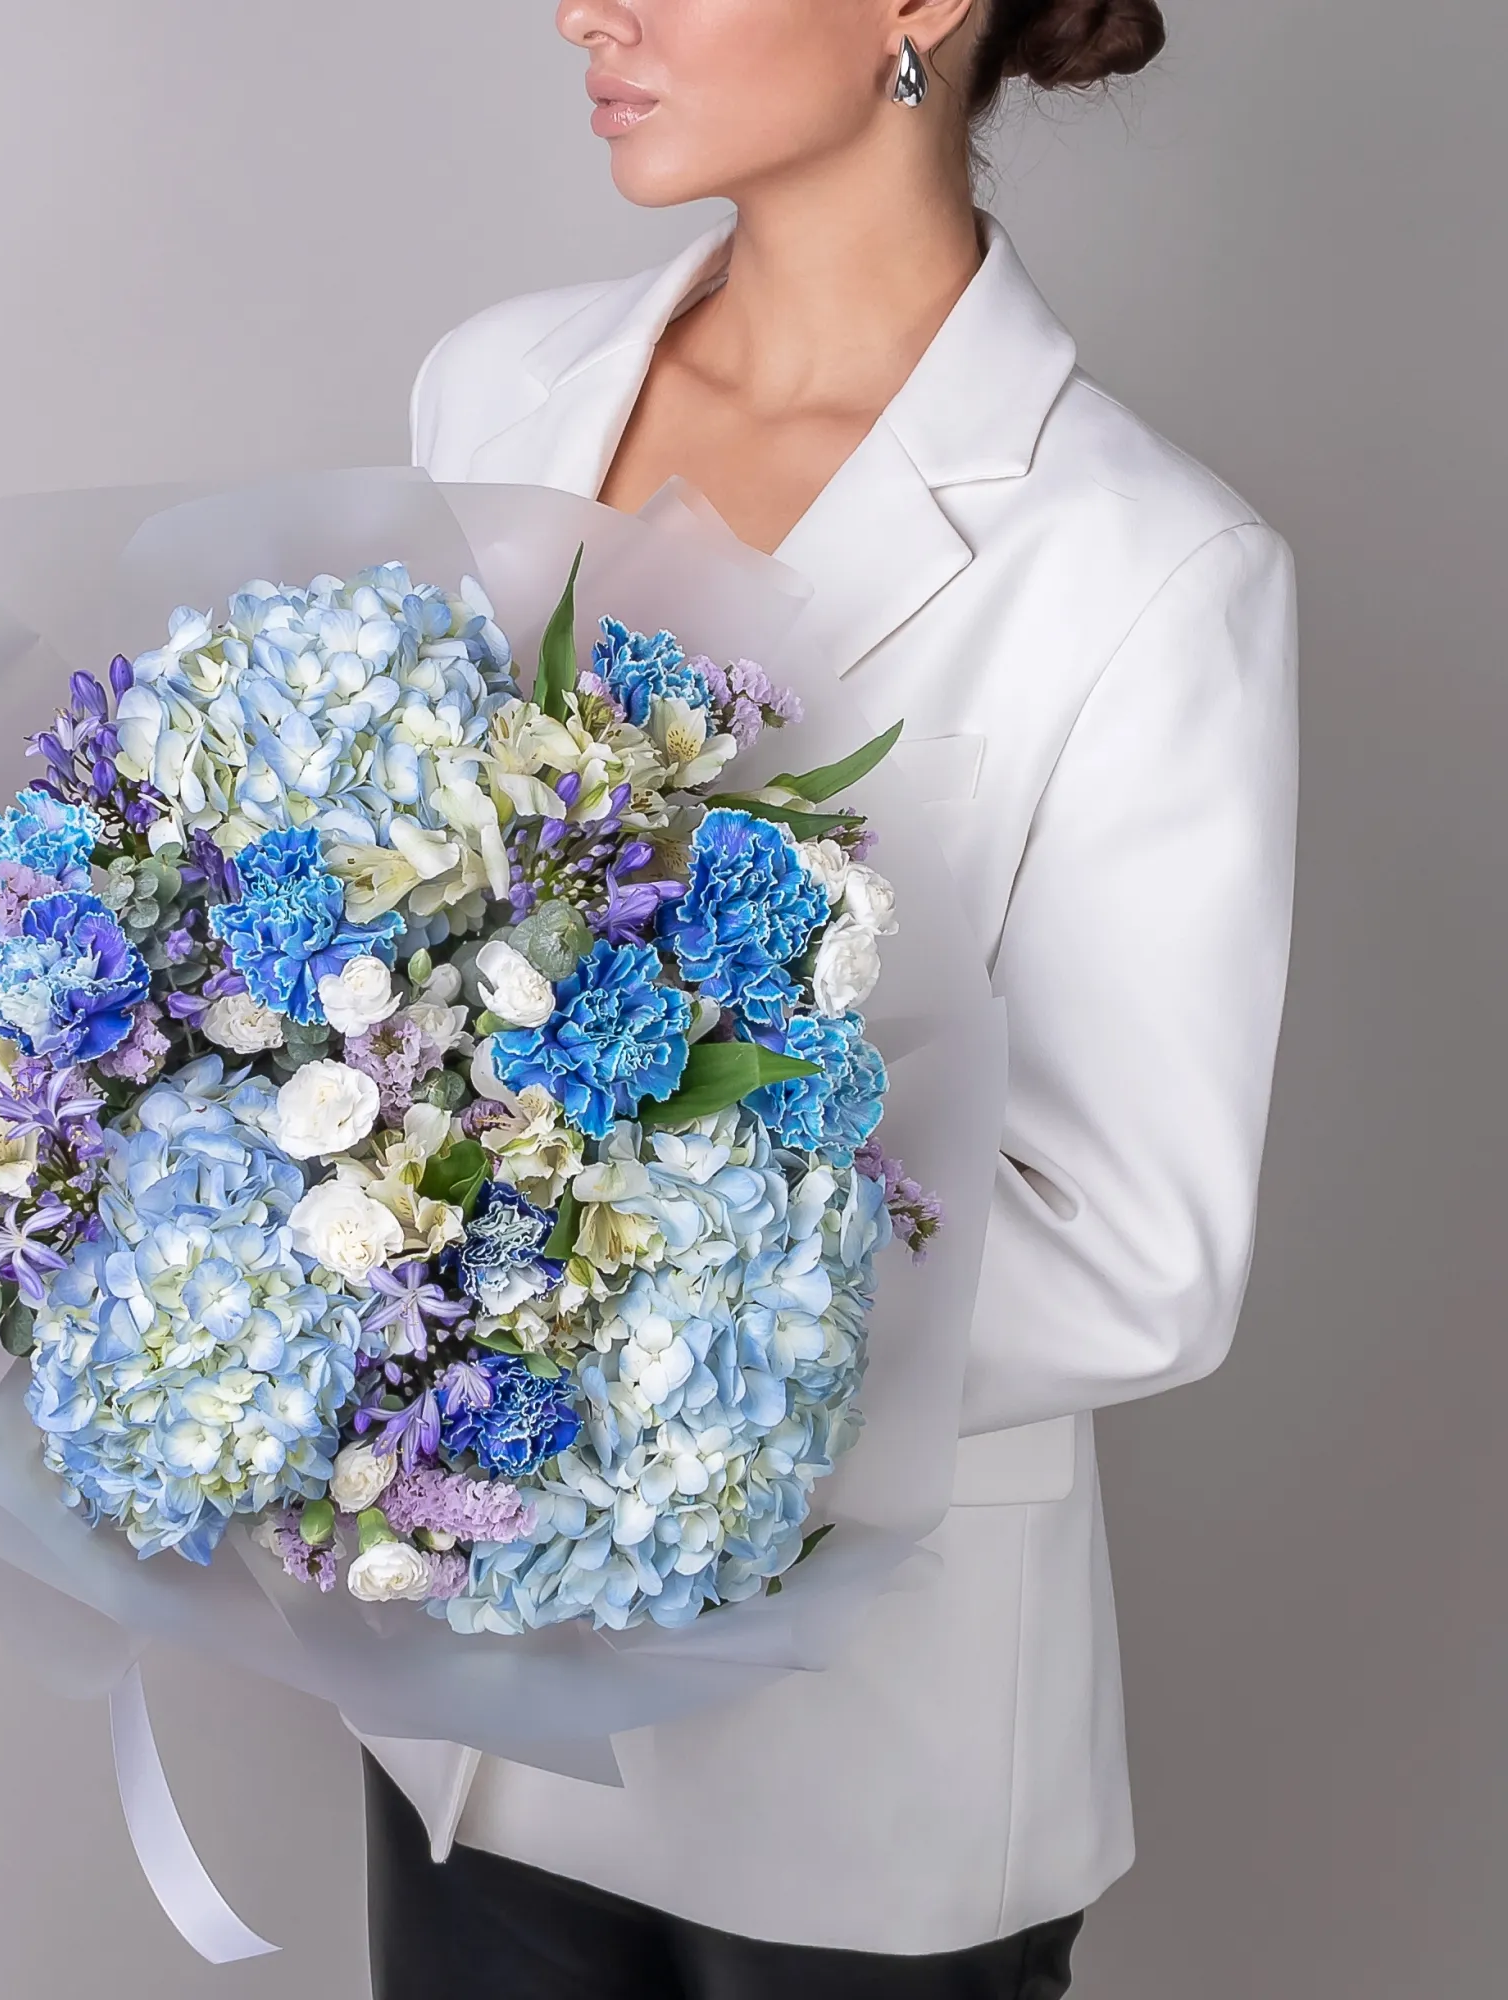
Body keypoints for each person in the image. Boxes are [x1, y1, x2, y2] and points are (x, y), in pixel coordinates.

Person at [363, 2, 1300, 1996]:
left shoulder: (1145, 561)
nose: (583, 11)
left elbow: (1135, 1250)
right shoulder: (494, 389)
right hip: (461, 1712)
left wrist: (572, 1296)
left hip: (863, 1774)